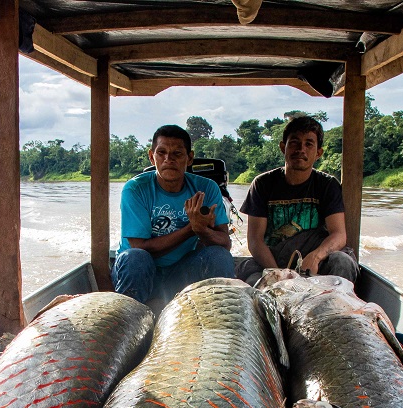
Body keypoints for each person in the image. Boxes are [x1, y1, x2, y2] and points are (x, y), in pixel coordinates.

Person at [113, 125, 234, 307]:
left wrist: (203, 231)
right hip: (137, 273)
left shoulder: (207, 188)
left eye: (177, 154)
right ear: (151, 157)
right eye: (161, 153)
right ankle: (130, 317)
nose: (168, 159)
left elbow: (224, 244)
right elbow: (140, 247)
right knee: (135, 258)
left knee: (218, 256)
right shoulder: (135, 189)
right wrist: (191, 229)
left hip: (180, 271)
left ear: (189, 158)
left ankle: (217, 319)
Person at [237, 115, 359, 286]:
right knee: (250, 278)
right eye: (294, 142)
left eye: (309, 144)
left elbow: (338, 234)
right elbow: (255, 240)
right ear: (283, 147)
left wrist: (315, 257)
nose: (301, 149)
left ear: (318, 153)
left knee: (342, 261)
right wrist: (279, 274)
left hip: (315, 260)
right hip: (273, 259)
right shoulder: (262, 184)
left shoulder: (327, 185)